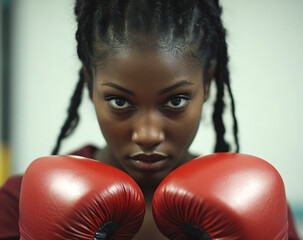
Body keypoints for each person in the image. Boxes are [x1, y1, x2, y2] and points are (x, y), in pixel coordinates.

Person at [0, 0, 300, 239]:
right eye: (120, 101)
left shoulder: (258, 204)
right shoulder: (19, 201)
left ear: (208, 84)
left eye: (175, 101)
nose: (147, 135)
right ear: (90, 82)